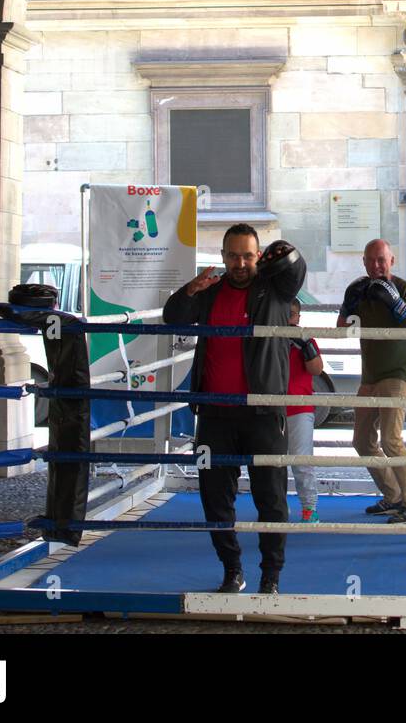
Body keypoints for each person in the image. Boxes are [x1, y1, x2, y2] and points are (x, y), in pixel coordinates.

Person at [163, 224, 306, 595]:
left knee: (271, 499)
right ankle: (232, 570)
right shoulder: (210, 292)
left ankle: (271, 576)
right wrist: (190, 289)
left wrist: (284, 251)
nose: (240, 263)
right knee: (215, 498)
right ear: (223, 256)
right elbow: (172, 318)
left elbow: (295, 270)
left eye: (248, 255)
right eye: (233, 255)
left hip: (263, 411)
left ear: (258, 256)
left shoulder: (275, 289)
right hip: (214, 414)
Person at [339, 239, 406, 524]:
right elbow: (343, 330)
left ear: (392, 260)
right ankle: (394, 496)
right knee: (362, 441)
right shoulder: (357, 290)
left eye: (381, 260)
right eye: (371, 260)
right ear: (364, 262)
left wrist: (394, 302)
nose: (376, 265)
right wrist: (351, 305)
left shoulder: (404, 288)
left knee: (391, 439)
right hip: (370, 375)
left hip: (398, 373)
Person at [286, 297, 324, 522]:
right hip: (269, 408)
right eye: (284, 313)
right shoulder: (266, 335)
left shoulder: (305, 337)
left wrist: (305, 346)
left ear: (298, 317)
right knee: (272, 464)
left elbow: (317, 369)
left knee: (302, 462)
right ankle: (277, 508)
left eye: (292, 314)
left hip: (299, 407)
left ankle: (309, 509)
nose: (288, 318)